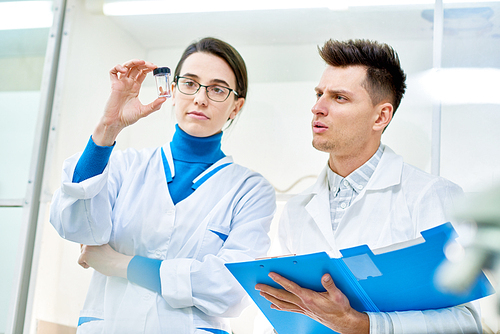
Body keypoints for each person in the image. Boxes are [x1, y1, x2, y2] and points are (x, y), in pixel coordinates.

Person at [50, 37, 276, 334]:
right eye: (190, 83)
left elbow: (231, 289)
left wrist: (119, 264)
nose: (200, 98)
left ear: (236, 106)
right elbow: (74, 225)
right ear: (172, 88)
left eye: (218, 89)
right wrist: (109, 127)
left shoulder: (250, 190)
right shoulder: (124, 167)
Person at [255, 39, 482, 334]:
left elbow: (466, 323)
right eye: (319, 94)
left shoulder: (431, 196)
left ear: (380, 116)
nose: (317, 108)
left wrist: (364, 326)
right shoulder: (297, 210)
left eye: (339, 98)